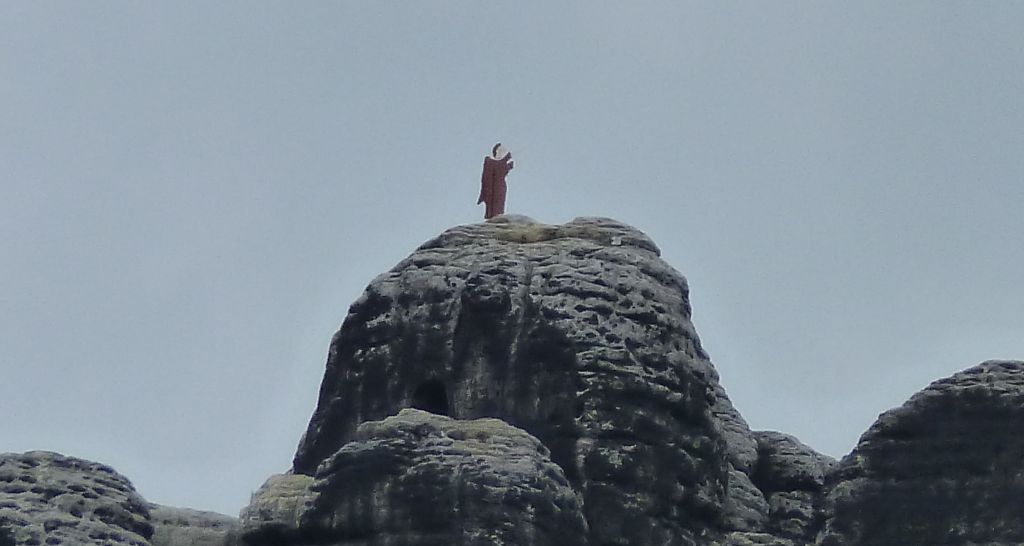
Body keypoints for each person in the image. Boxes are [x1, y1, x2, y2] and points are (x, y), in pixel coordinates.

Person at [477, 142, 513, 219]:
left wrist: (508, 164)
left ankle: (498, 217)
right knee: (493, 207)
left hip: (500, 187)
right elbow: (497, 169)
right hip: (493, 189)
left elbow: (502, 170)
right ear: (496, 151)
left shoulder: (501, 162)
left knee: (499, 205)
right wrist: (507, 160)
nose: (503, 152)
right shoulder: (490, 161)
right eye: (501, 150)